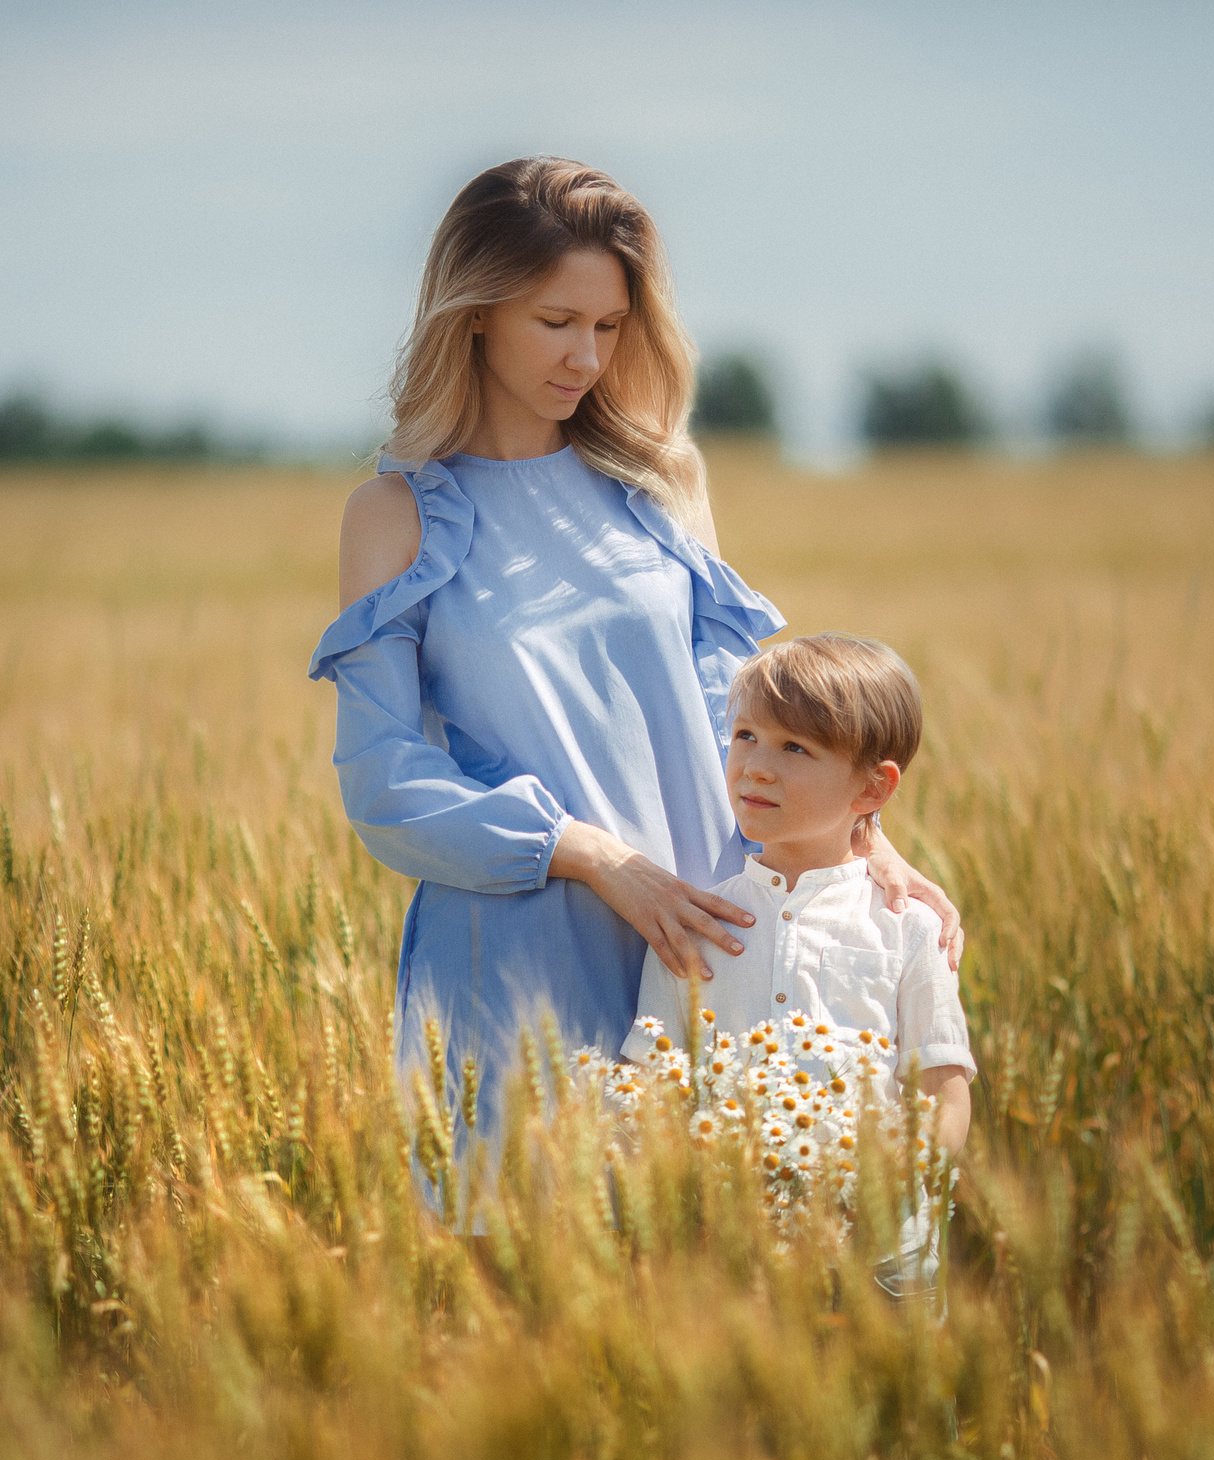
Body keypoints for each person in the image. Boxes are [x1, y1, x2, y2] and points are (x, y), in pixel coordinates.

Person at [311, 157, 961, 1221]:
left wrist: (864, 840)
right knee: (521, 1317)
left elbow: (750, 710)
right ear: (474, 315)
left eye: (609, 327)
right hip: (519, 961)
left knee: (725, 1306)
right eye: (555, 320)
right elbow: (383, 782)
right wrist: (596, 856)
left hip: (707, 948)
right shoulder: (393, 517)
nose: (585, 355)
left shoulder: (661, 480)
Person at [618, 635, 972, 1288]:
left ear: (873, 786)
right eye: (746, 735)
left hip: (884, 1266)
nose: (754, 766)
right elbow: (651, 1093)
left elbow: (944, 1096)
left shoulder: (909, 929)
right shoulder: (692, 928)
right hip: (732, 1265)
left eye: (794, 748)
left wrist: (886, 1189)